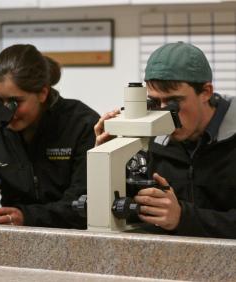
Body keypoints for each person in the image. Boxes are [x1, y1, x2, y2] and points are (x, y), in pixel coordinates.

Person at [95, 42, 236, 239]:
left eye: (173, 103)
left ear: (206, 91)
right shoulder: (151, 138)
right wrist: (107, 161)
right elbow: (125, 207)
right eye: (155, 102)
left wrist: (183, 217)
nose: (164, 114)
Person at [0, 44, 100, 228]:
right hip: (14, 235)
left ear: (42, 93)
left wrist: (27, 217)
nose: (6, 112)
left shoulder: (82, 125)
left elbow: (84, 204)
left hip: (74, 236)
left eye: (15, 102)